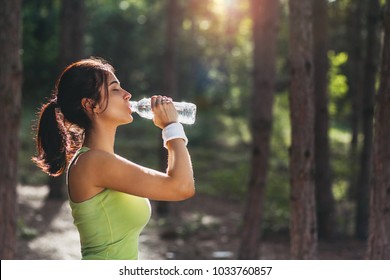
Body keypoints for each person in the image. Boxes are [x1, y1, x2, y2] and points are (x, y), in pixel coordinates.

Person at [32, 57, 195, 260]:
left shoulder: (103, 160)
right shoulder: (94, 162)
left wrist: (172, 128)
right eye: (115, 89)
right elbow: (181, 187)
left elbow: (176, 183)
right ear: (91, 105)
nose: (128, 95)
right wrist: (171, 127)